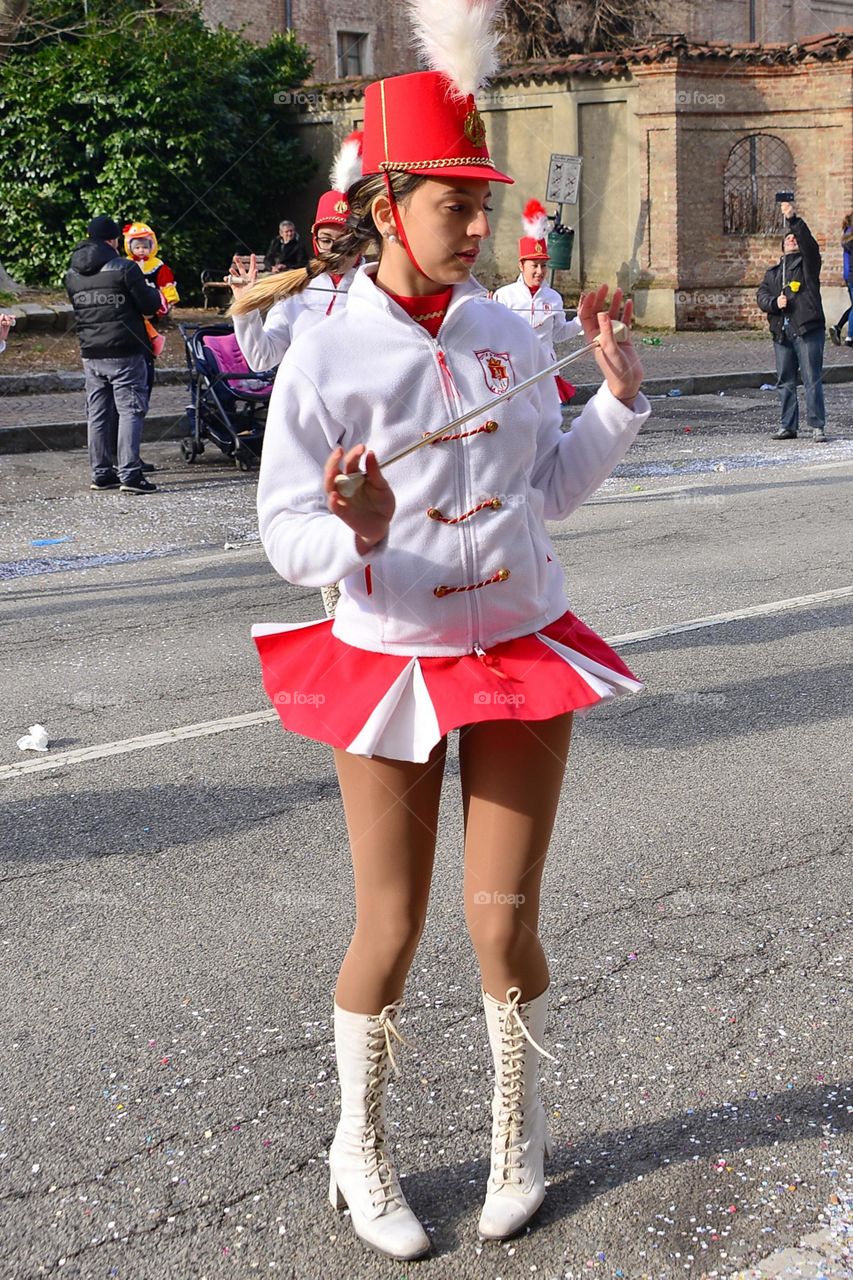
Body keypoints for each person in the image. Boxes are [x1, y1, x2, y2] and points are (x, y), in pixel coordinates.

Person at [243, 0, 650, 1261]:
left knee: (503, 916)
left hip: (520, 644)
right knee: (393, 924)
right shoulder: (324, 353)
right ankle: (356, 1148)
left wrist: (619, 401)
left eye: (486, 207)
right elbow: (281, 529)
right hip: (392, 659)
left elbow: (542, 492)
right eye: (454, 208)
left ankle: (515, 1135)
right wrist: (354, 527)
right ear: (387, 207)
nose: (479, 231)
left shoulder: (502, 329)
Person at [230, 132, 364, 374]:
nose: (335, 250)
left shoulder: (378, 287)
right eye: (326, 240)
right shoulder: (296, 291)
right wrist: (245, 307)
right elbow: (262, 359)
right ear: (315, 241)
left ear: (362, 243)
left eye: (346, 241)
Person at [65, 214, 162, 492]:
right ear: (113, 240)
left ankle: (102, 473)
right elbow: (148, 306)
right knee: (130, 409)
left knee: (97, 412)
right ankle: (131, 475)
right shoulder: (125, 268)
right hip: (125, 350)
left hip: (90, 352)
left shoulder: (71, 274)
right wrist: (155, 294)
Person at [493, 200, 583, 403]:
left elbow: (558, 334)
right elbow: (495, 338)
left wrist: (580, 321)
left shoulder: (554, 297)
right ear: (521, 265)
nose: (540, 271)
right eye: (534, 265)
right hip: (516, 372)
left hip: (546, 371)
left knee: (549, 429)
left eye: (544, 265)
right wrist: (486, 314)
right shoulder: (504, 296)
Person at [756, 201, 827, 442]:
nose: (791, 240)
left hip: (807, 329)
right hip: (782, 332)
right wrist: (776, 303)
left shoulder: (808, 265)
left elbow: (809, 246)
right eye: (787, 239)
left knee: (811, 378)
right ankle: (788, 426)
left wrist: (793, 221)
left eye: (794, 239)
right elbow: (762, 296)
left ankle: (817, 426)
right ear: (782, 246)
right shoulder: (774, 273)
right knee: (785, 381)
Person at [123, 220, 179, 470]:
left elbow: (168, 290)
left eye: (146, 245)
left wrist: (165, 303)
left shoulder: (159, 267)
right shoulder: (125, 267)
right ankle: (128, 457)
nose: (142, 250)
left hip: (150, 320)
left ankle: (128, 456)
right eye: (137, 245)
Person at [827, 211, 853, 346]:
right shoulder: (850, 237)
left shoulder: (847, 234)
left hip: (849, 276)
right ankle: (850, 337)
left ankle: (838, 327)